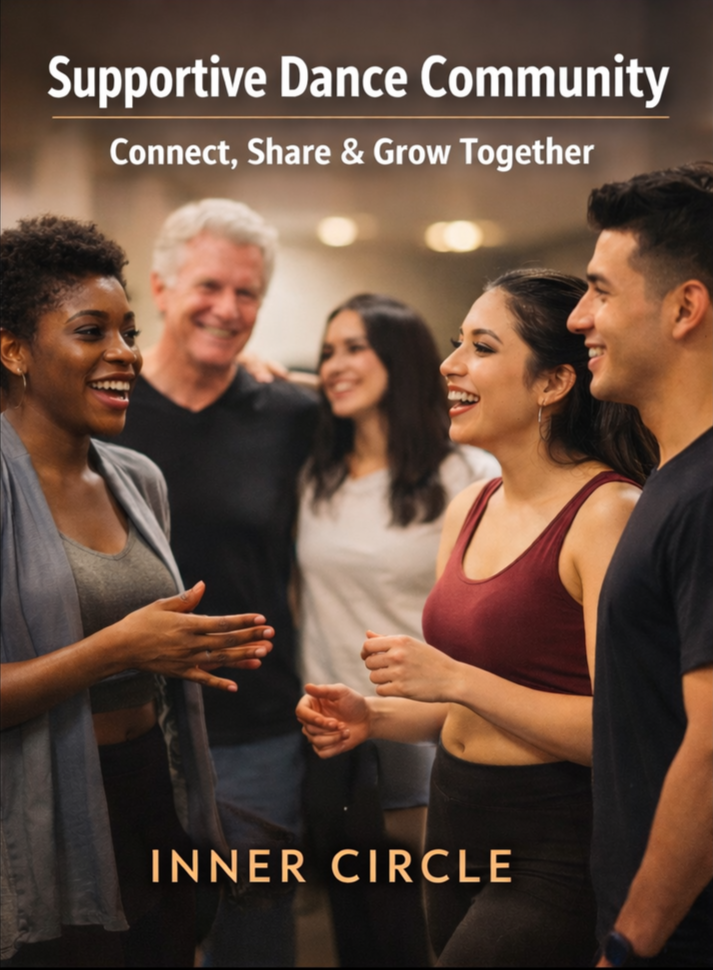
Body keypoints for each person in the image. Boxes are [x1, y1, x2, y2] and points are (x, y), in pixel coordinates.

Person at [297, 268, 658, 968]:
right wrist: (372, 717)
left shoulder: (606, 513)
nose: (448, 365)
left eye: (481, 347)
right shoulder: (471, 505)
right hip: (455, 822)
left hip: (552, 841)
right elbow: (459, 715)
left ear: (552, 382)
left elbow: (616, 732)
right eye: (457, 341)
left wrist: (455, 678)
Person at [0, 215, 274, 968]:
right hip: (41, 812)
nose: (125, 354)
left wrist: (181, 649)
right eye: (92, 332)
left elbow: (142, 642)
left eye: (128, 332)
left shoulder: (135, 477)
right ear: (13, 349)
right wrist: (117, 648)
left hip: (150, 790)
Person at [114, 198, 318, 966]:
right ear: (161, 290)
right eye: (209, 286)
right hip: (120, 721)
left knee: (255, 939)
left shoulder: (293, 413)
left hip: (255, 729)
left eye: (247, 293)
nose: (227, 309)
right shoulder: (106, 406)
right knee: (131, 933)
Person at [297, 293, 498, 967]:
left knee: (422, 932)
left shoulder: (463, 474)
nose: (334, 365)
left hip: (424, 734)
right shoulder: (315, 475)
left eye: (355, 348)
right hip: (330, 731)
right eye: (327, 352)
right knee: (355, 928)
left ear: (402, 359)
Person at [567, 163, 713, 968]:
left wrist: (633, 942)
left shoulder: (705, 493)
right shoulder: (672, 478)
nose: (580, 317)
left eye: (600, 291)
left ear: (684, 307)